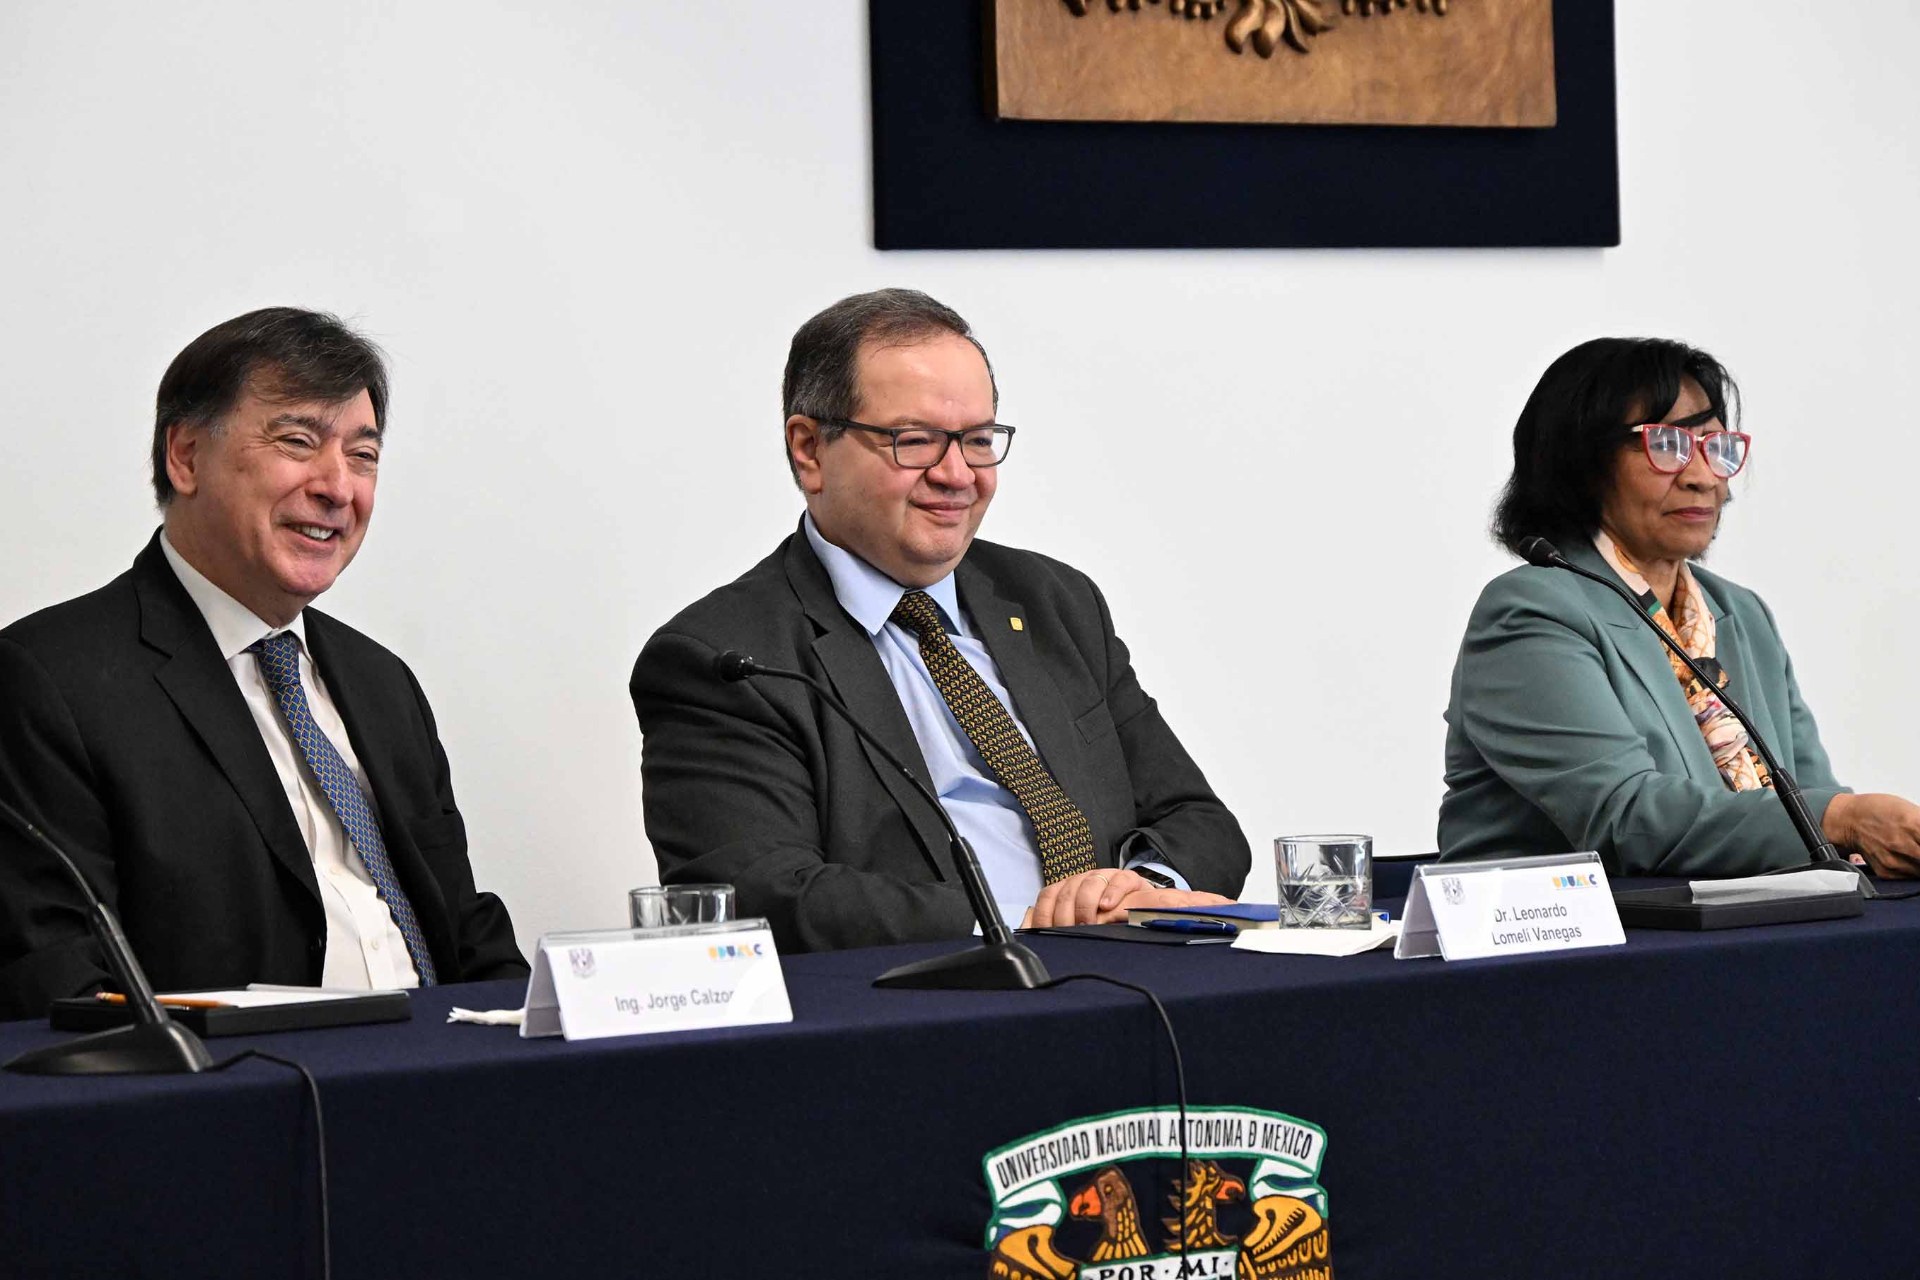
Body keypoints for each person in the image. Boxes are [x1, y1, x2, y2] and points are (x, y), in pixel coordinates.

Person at [631, 288, 1249, 952]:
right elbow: (767, 895)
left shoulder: (1055, 601)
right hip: (935, 997)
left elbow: (1201, 822)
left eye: (978, 441)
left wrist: (1139, 891)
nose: (958, 475)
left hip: (1133, 973)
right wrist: (1024, 922)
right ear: (810, 450)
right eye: (916, 441)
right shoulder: (726, 656)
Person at [0, 307, 527, 1018]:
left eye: (363, 456)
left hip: (445, 1062)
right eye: (298, 441)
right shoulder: (49, 680)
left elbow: (464, 929)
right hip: (243, 1078)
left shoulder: (382, 683)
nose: (338, 487)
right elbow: (58, 985)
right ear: (186, 457)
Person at [1439, 336, 1920, 878]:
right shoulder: (1530, 613)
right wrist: (1845, 819)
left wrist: (1873, 835)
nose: (1702, 476)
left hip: (1742, 917)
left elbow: (1814, 794)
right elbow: (1628, 819)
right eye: (1666, 444)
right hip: (1561, 926)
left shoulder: (1741, 614)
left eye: (1716, 447)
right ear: (1581, 462)